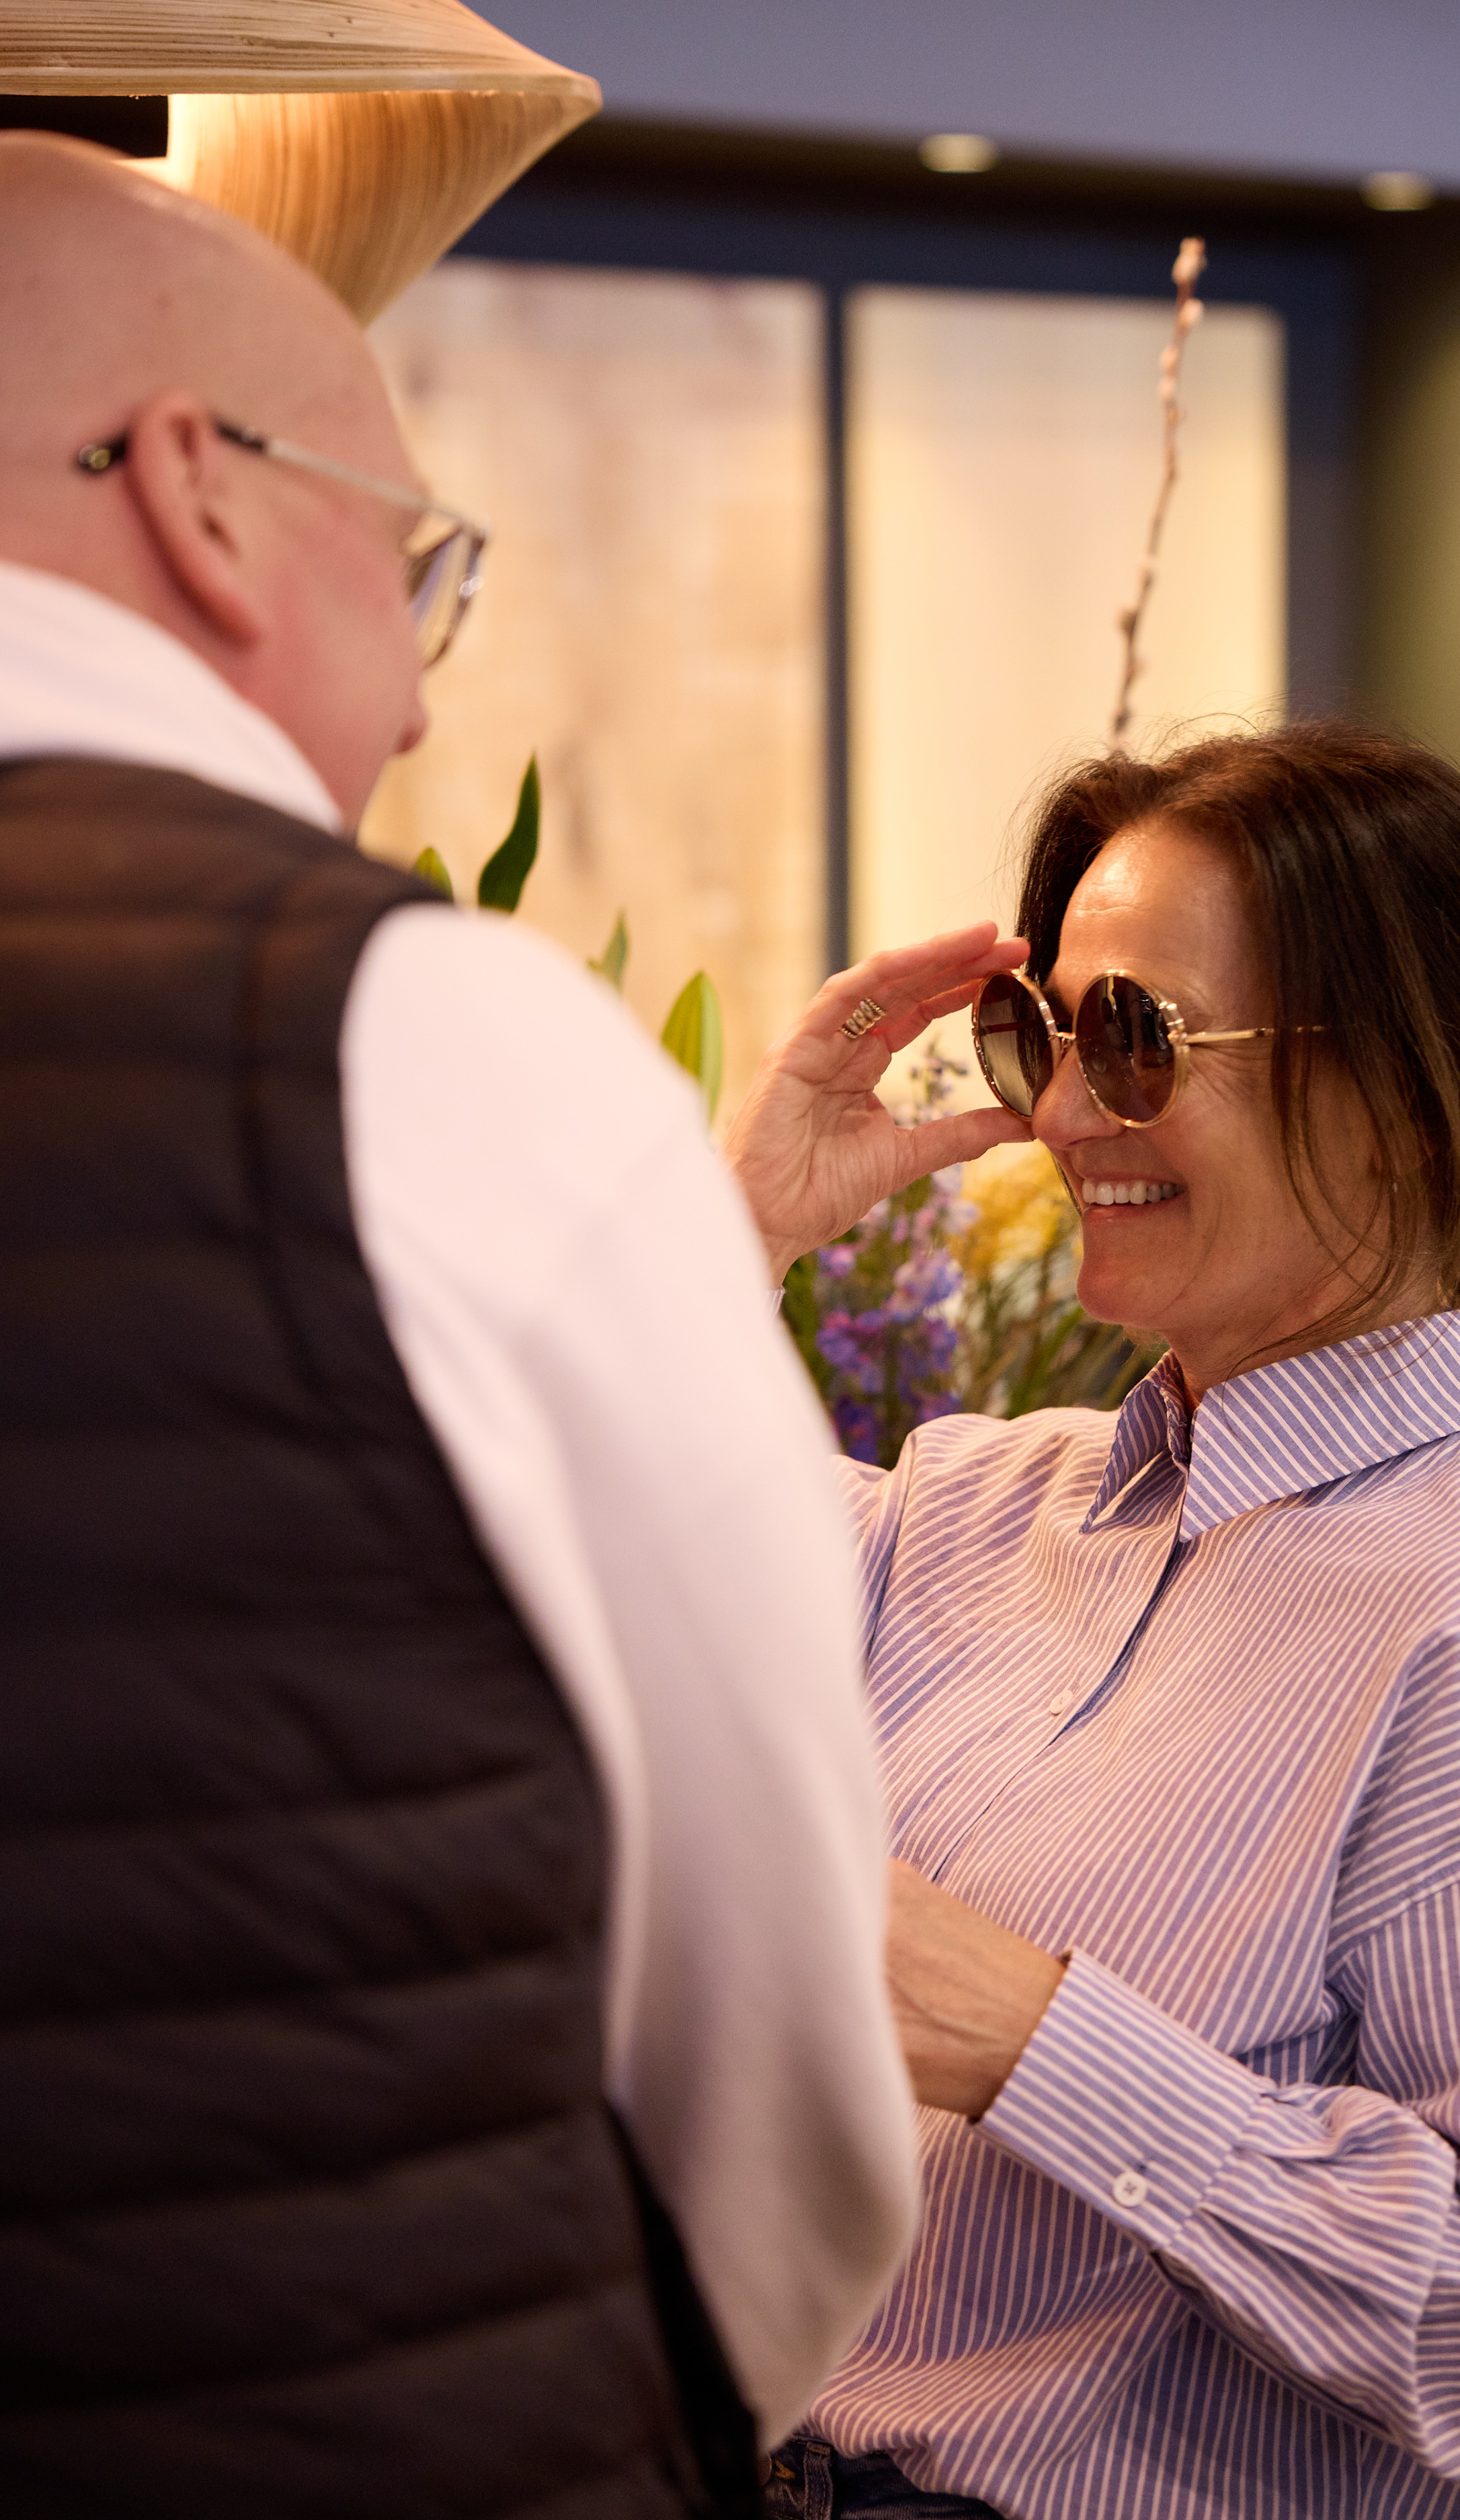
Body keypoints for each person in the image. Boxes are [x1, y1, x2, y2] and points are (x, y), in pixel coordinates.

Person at [0, 132, 922, 2516]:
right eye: (420, 563)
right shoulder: (414, 1036)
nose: (419, 710)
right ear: (197, 493)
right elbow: (771, 2084)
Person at [723, 724, 1460, 2520]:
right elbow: (525, 1616)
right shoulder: (968, 1508)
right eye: (1044, 1037)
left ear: (1401, 1098)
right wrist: (728, 1236)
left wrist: (1034, 2038)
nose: (1062, 1116)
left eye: (1137, 1040)